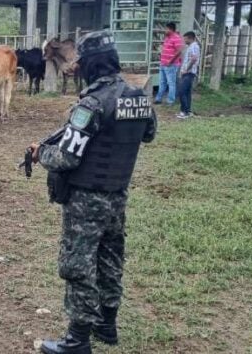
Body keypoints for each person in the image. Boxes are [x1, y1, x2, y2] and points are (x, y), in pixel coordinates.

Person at [29, 31, 157, 354]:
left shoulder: (92, 103)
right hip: (117, 196)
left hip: (86, 199)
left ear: (91, 65)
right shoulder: (137, 96)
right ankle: (107, 325)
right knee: (110, 258)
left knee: (78, 264)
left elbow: (67, 157)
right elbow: (149, 133)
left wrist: (39, 154)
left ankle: (77, 340)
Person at [155, 22, 184, 105]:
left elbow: (179, 51)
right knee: (162, 82)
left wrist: (170, 62)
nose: (164, 30)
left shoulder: (176, 38)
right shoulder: (167, 37)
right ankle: (158, 99)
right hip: (163, 63)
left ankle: (170, 100)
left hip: (171, 65)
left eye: (166, 29)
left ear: (171, 29)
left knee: (171, 83)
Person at [177, 31, 200, 119]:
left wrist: (186, 69)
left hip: (188, 73)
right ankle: (188, 111)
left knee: (182, 91)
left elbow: (194, 59)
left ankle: (184, 112)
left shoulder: (193, 46)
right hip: (190, 73)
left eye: (185, 39)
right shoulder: (193, 46)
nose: (184, 41)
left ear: (190, 38)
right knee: (187, 93)